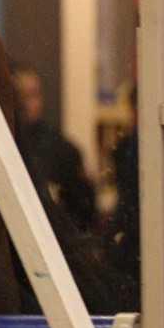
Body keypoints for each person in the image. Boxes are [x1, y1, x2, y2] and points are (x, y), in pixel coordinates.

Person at [10, 62, 97, 232]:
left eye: (32, 94)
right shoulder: (2, 143)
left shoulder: (63, 150)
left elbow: (82, 209)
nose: (26, 103)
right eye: (20, 95)